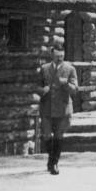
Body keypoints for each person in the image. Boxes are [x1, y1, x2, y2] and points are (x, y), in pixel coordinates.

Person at [37, 43, 78, 175]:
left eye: (62, 56)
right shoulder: (44, 69)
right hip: (47, 108)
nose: (60, 58)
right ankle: (51, 159)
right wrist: (43, 90)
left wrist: (65, 83)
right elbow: (36, 87)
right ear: (52, 54)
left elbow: (74, 89)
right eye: (57, 56)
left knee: (59, 136)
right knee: (47, 136)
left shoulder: (70, 69)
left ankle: (54, 163)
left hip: (63, 108)